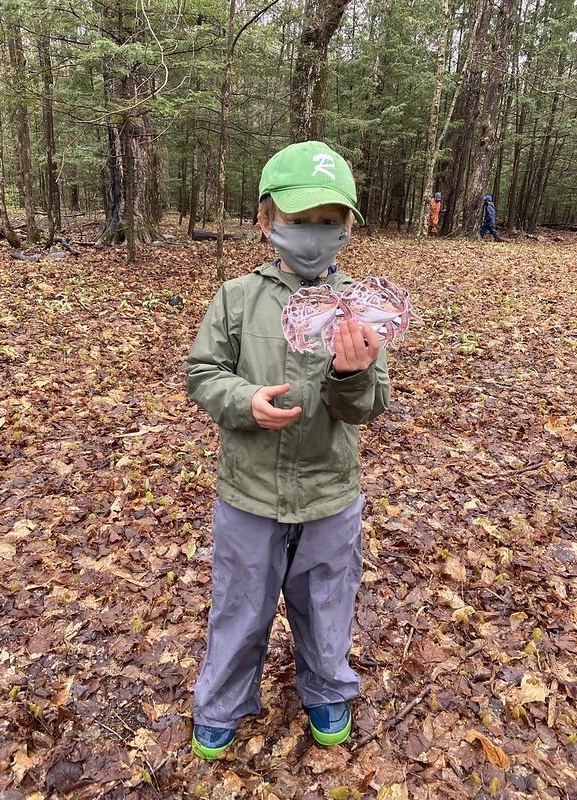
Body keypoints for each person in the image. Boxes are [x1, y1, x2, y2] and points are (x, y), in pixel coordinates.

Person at [185, 140, 390, 760]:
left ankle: (327, 687)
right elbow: (202, 372)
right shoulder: (237, 298)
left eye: (328, 224)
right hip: (249, 491)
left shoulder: (362, 307)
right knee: (240, 601)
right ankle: (222, 701)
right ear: (266, 220)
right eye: (298, 222)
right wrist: (243, 400)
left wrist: (354, 374)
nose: (311, 237)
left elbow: (368, 405)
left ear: (347, 228)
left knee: (328, 599)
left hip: (330, 491)